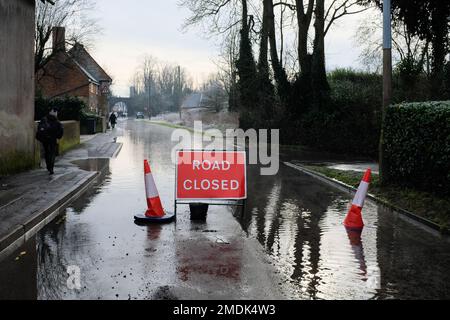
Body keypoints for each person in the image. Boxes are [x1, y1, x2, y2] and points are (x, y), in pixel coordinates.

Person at [36, 108, 64, 175]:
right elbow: (60, 131)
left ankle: (48, 166)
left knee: (47, 152)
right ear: (56, 113)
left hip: (45, 139)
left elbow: (39, 128)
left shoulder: (44, 119)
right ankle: (51, 167)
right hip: (53, 139)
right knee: (52, 153)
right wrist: (57, 137)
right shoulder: (57, 121)